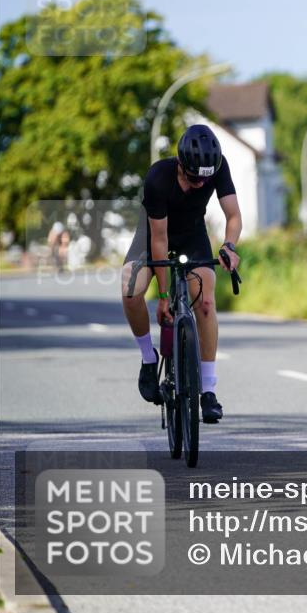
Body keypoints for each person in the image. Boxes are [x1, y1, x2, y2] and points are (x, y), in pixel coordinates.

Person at [120, 124, 241, 423]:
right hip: (153, 235)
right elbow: (159, 240)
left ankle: (208, 390)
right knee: (130, 288)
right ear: (180, 165)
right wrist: (162, 297)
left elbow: (234, 215)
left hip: (192, 235)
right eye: (193, 178)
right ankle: (149, 359)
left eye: (206, 179)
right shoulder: (158, 177)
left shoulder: (218, 167)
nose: (201, 184)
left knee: (206, 302)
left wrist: (229, 246)